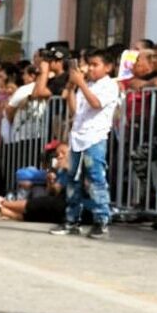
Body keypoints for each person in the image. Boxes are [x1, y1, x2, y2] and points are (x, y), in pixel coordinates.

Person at [49, 48, 119, 239]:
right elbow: (75, 111)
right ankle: (72, 220)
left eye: (96, 65)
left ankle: (101, 221)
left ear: (108, 67)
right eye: (89, 65)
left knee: (96, 179)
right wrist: (72, 87)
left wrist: (81, 84)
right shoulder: (86, 85)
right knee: (73, 179)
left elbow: (96, 103)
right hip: (78, 138)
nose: (91, 69)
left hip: (94, 138)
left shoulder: (109, 85)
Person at [0, 142, 70, 223]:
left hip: (68, 205)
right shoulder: (60, 172)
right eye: (57, 154)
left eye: (63, 153)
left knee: (51, 204)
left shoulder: (74, 171)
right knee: (46, 209)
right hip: (61, 205)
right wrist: (50, 182)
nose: (59, 156)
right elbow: (55, 192)